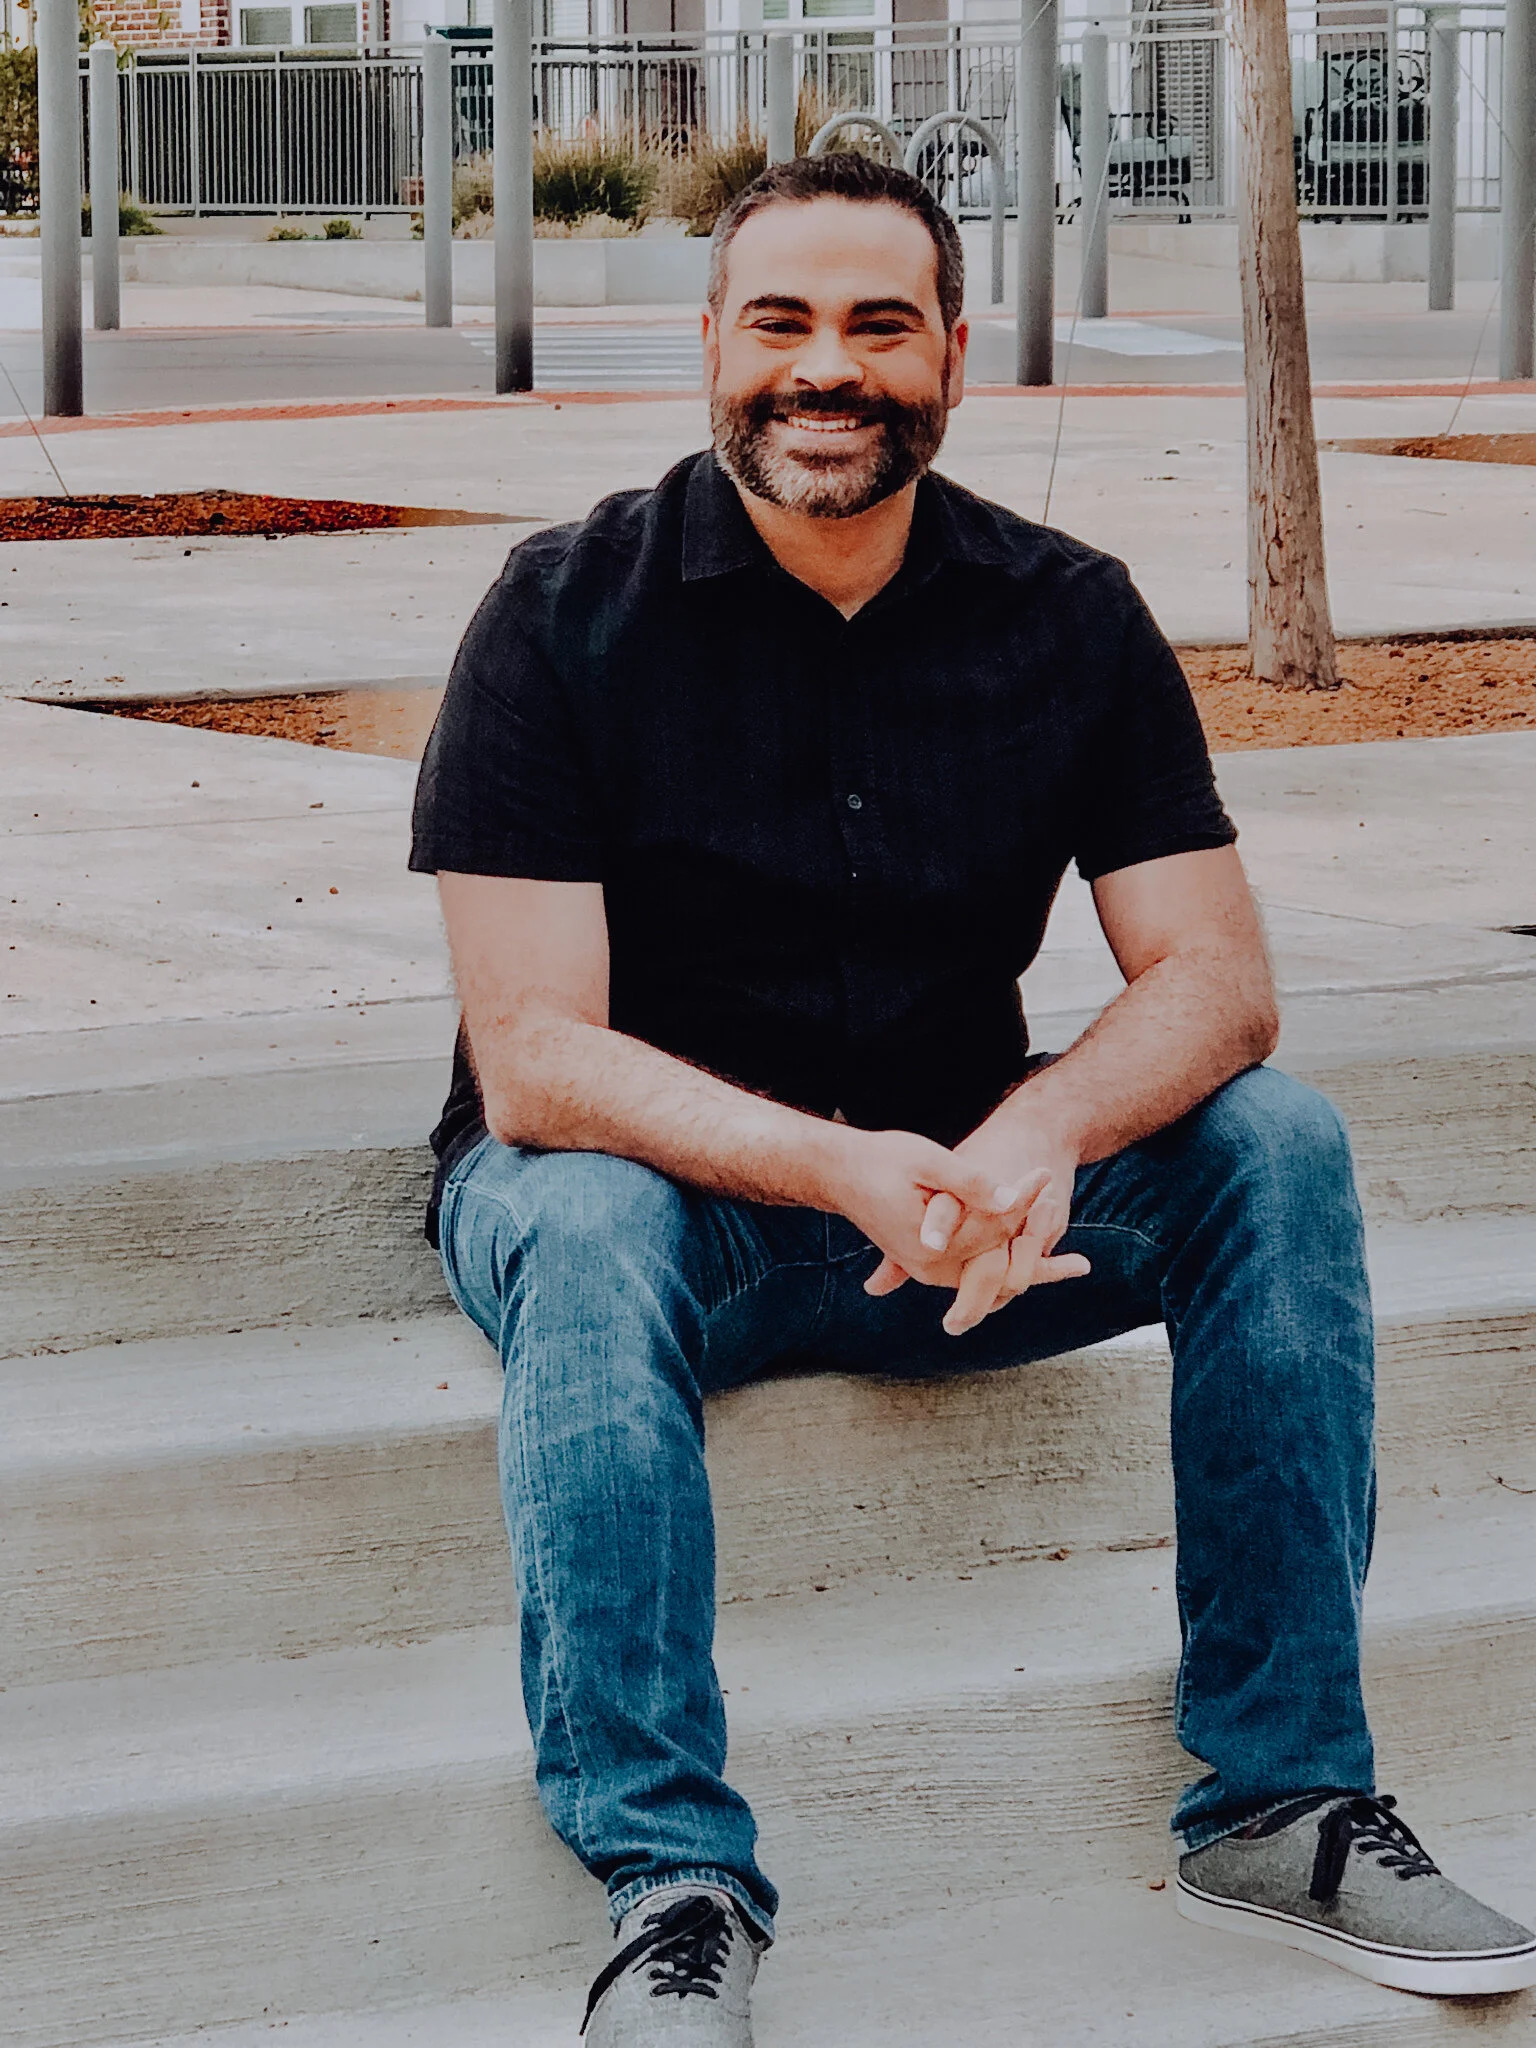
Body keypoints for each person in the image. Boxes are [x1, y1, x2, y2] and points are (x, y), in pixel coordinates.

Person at [409, 153, 1536, 2044]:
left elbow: (1217, 981)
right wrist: (828, 1162)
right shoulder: (558, 612)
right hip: (657, 1197)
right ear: (710, 348)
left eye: (876, 326)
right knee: (586, 1218)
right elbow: (535, 1061)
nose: (824, 370)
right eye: (781, 323)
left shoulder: (1067, 614)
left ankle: (1281, 1799)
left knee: (1280, 1142)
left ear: (952, 358)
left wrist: (1040, 1131)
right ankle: (668, 1877)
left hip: (966, 1212)